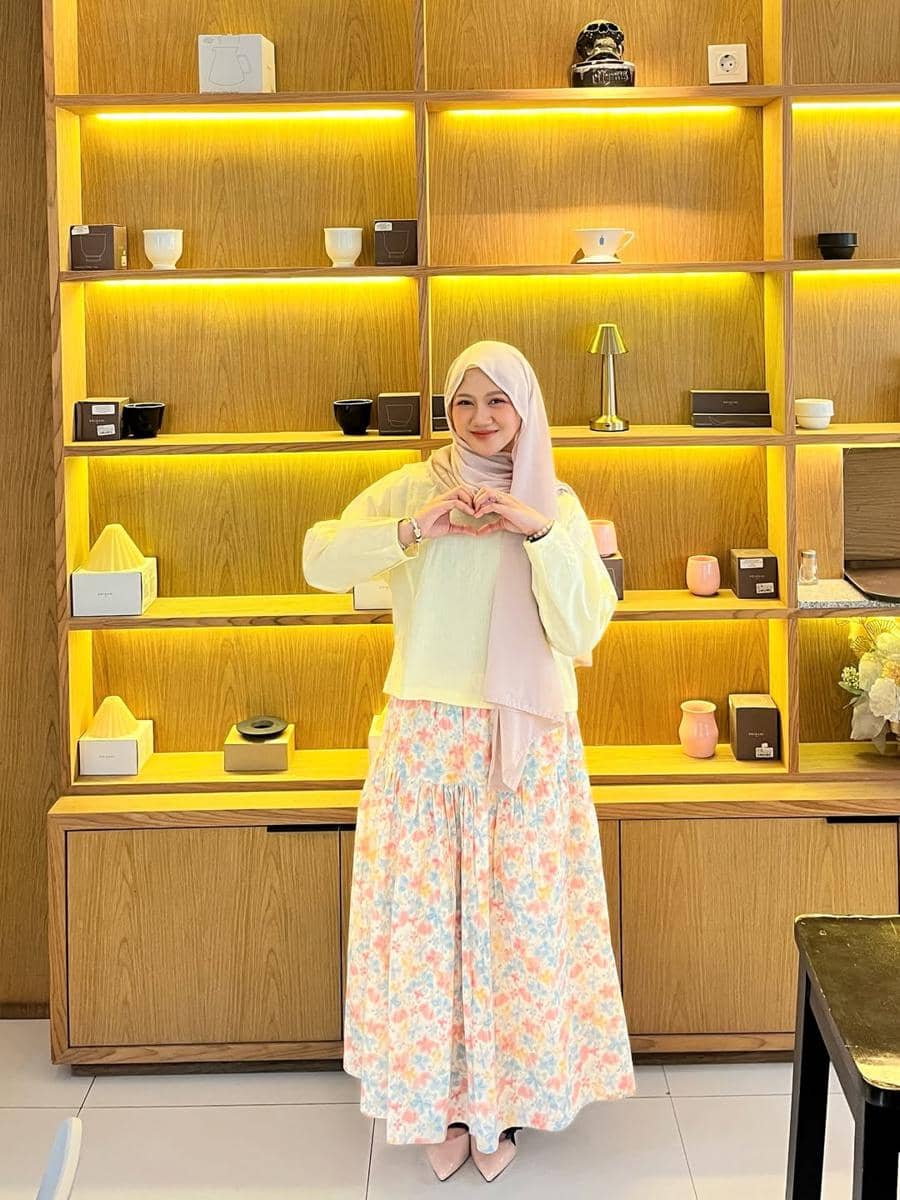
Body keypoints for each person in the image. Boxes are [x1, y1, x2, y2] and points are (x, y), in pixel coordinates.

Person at [302, 340, 634, 1183]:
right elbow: (319, 559)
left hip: (528, 748)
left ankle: (506, 1106)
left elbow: (584, 628)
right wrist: (418, 528)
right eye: (464, 402)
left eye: (498, 401)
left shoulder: (555, 501)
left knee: (519, 932)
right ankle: (443, 1104)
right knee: (430, 935)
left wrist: (539, 530)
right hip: (427, 738)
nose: (481, 418)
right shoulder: (413, 489)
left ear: (525, 410)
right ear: (447, 412)